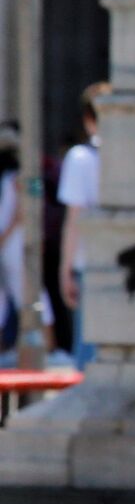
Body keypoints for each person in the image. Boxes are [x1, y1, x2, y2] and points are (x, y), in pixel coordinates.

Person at [55, 82, 107, 367]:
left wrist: (65, 270)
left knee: (88, 356)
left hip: (90, 265)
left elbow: (74, 220)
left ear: (88, 120)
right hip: (132, 267)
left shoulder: (81, 159)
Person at [0, 120, 24, 354]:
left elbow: (21, 211)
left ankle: (48, 347)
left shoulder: (17, 174)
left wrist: (4, 238)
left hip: (13, 243)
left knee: (25, 294)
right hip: (6, 241)